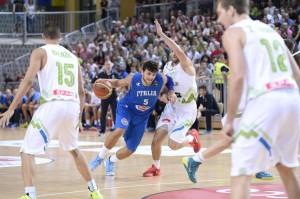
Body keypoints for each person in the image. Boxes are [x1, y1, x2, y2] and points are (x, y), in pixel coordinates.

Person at [183, 1, 300, 199]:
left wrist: (228, 121)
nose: (218, 19)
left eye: (220, 13)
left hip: (266, 100)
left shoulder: (234, 32)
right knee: (285, 168)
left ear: (231, 9)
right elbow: (296, 74)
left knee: (240, 174)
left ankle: (196, 160)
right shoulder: (270, 31)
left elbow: (236, 77)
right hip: (292, 98)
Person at [0, 23, 103, 199]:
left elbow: (28, 82)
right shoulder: (72, 57)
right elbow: (82, 92)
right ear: (60, 37)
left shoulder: (40, 52)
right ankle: (94, 191)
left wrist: (11, 109)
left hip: (52, 104)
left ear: (42, 36)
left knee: (27, 151)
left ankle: (30, 195)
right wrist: (78, 115)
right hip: (72, 106)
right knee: (73, 149)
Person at [89, 60, 177, 176]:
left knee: (130, 149)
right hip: (126, 109)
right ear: (142, 72)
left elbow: (169, 80)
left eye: (153, 74)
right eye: (148, 73)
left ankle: (111, 161)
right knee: (120, 130)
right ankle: (99, 158)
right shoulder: (133, 78)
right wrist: (107, 81)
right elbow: (118, 83)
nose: (151, 77)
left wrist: (171, 92)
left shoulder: (160, 79)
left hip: (142, 117)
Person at [143, 19, 200, 177]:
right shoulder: (167, 67)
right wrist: (166, 94)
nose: (174, 52)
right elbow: (166, 85)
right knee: (156, 139)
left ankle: (191, 137)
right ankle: (156, 167)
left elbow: (178, 50)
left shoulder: (187, 66)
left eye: (176, 50)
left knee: (173, 145)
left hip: (187, 110)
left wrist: (161, 35)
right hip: (172, 109)